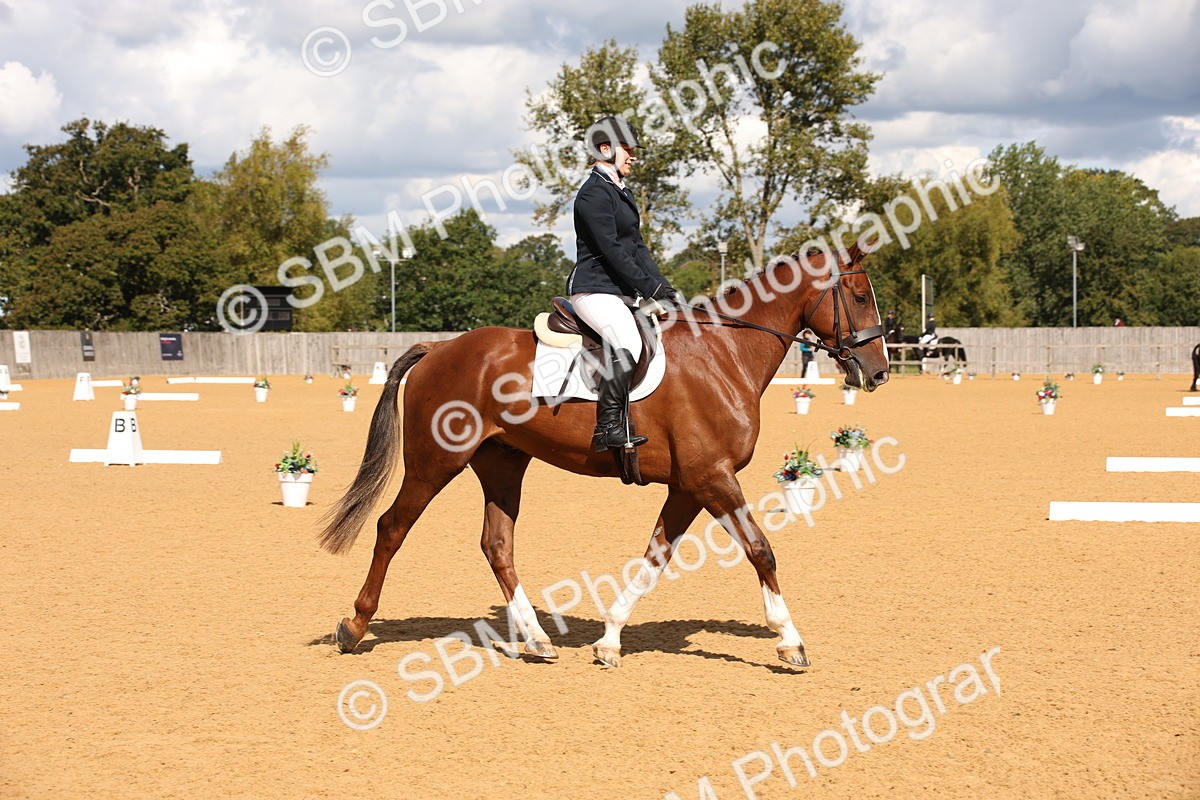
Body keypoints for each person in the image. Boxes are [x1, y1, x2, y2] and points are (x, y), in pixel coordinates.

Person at [568, 115, 681, 453]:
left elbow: (638, 249)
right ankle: (607, 428)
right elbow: (614, 252)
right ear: (606, 149)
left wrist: (666, 288)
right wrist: (650, 289)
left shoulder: (621, 192)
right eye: (628, 150)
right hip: (593, 289)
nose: (633, 156)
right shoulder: (593, 195)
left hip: (619, 293)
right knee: (628, 344)